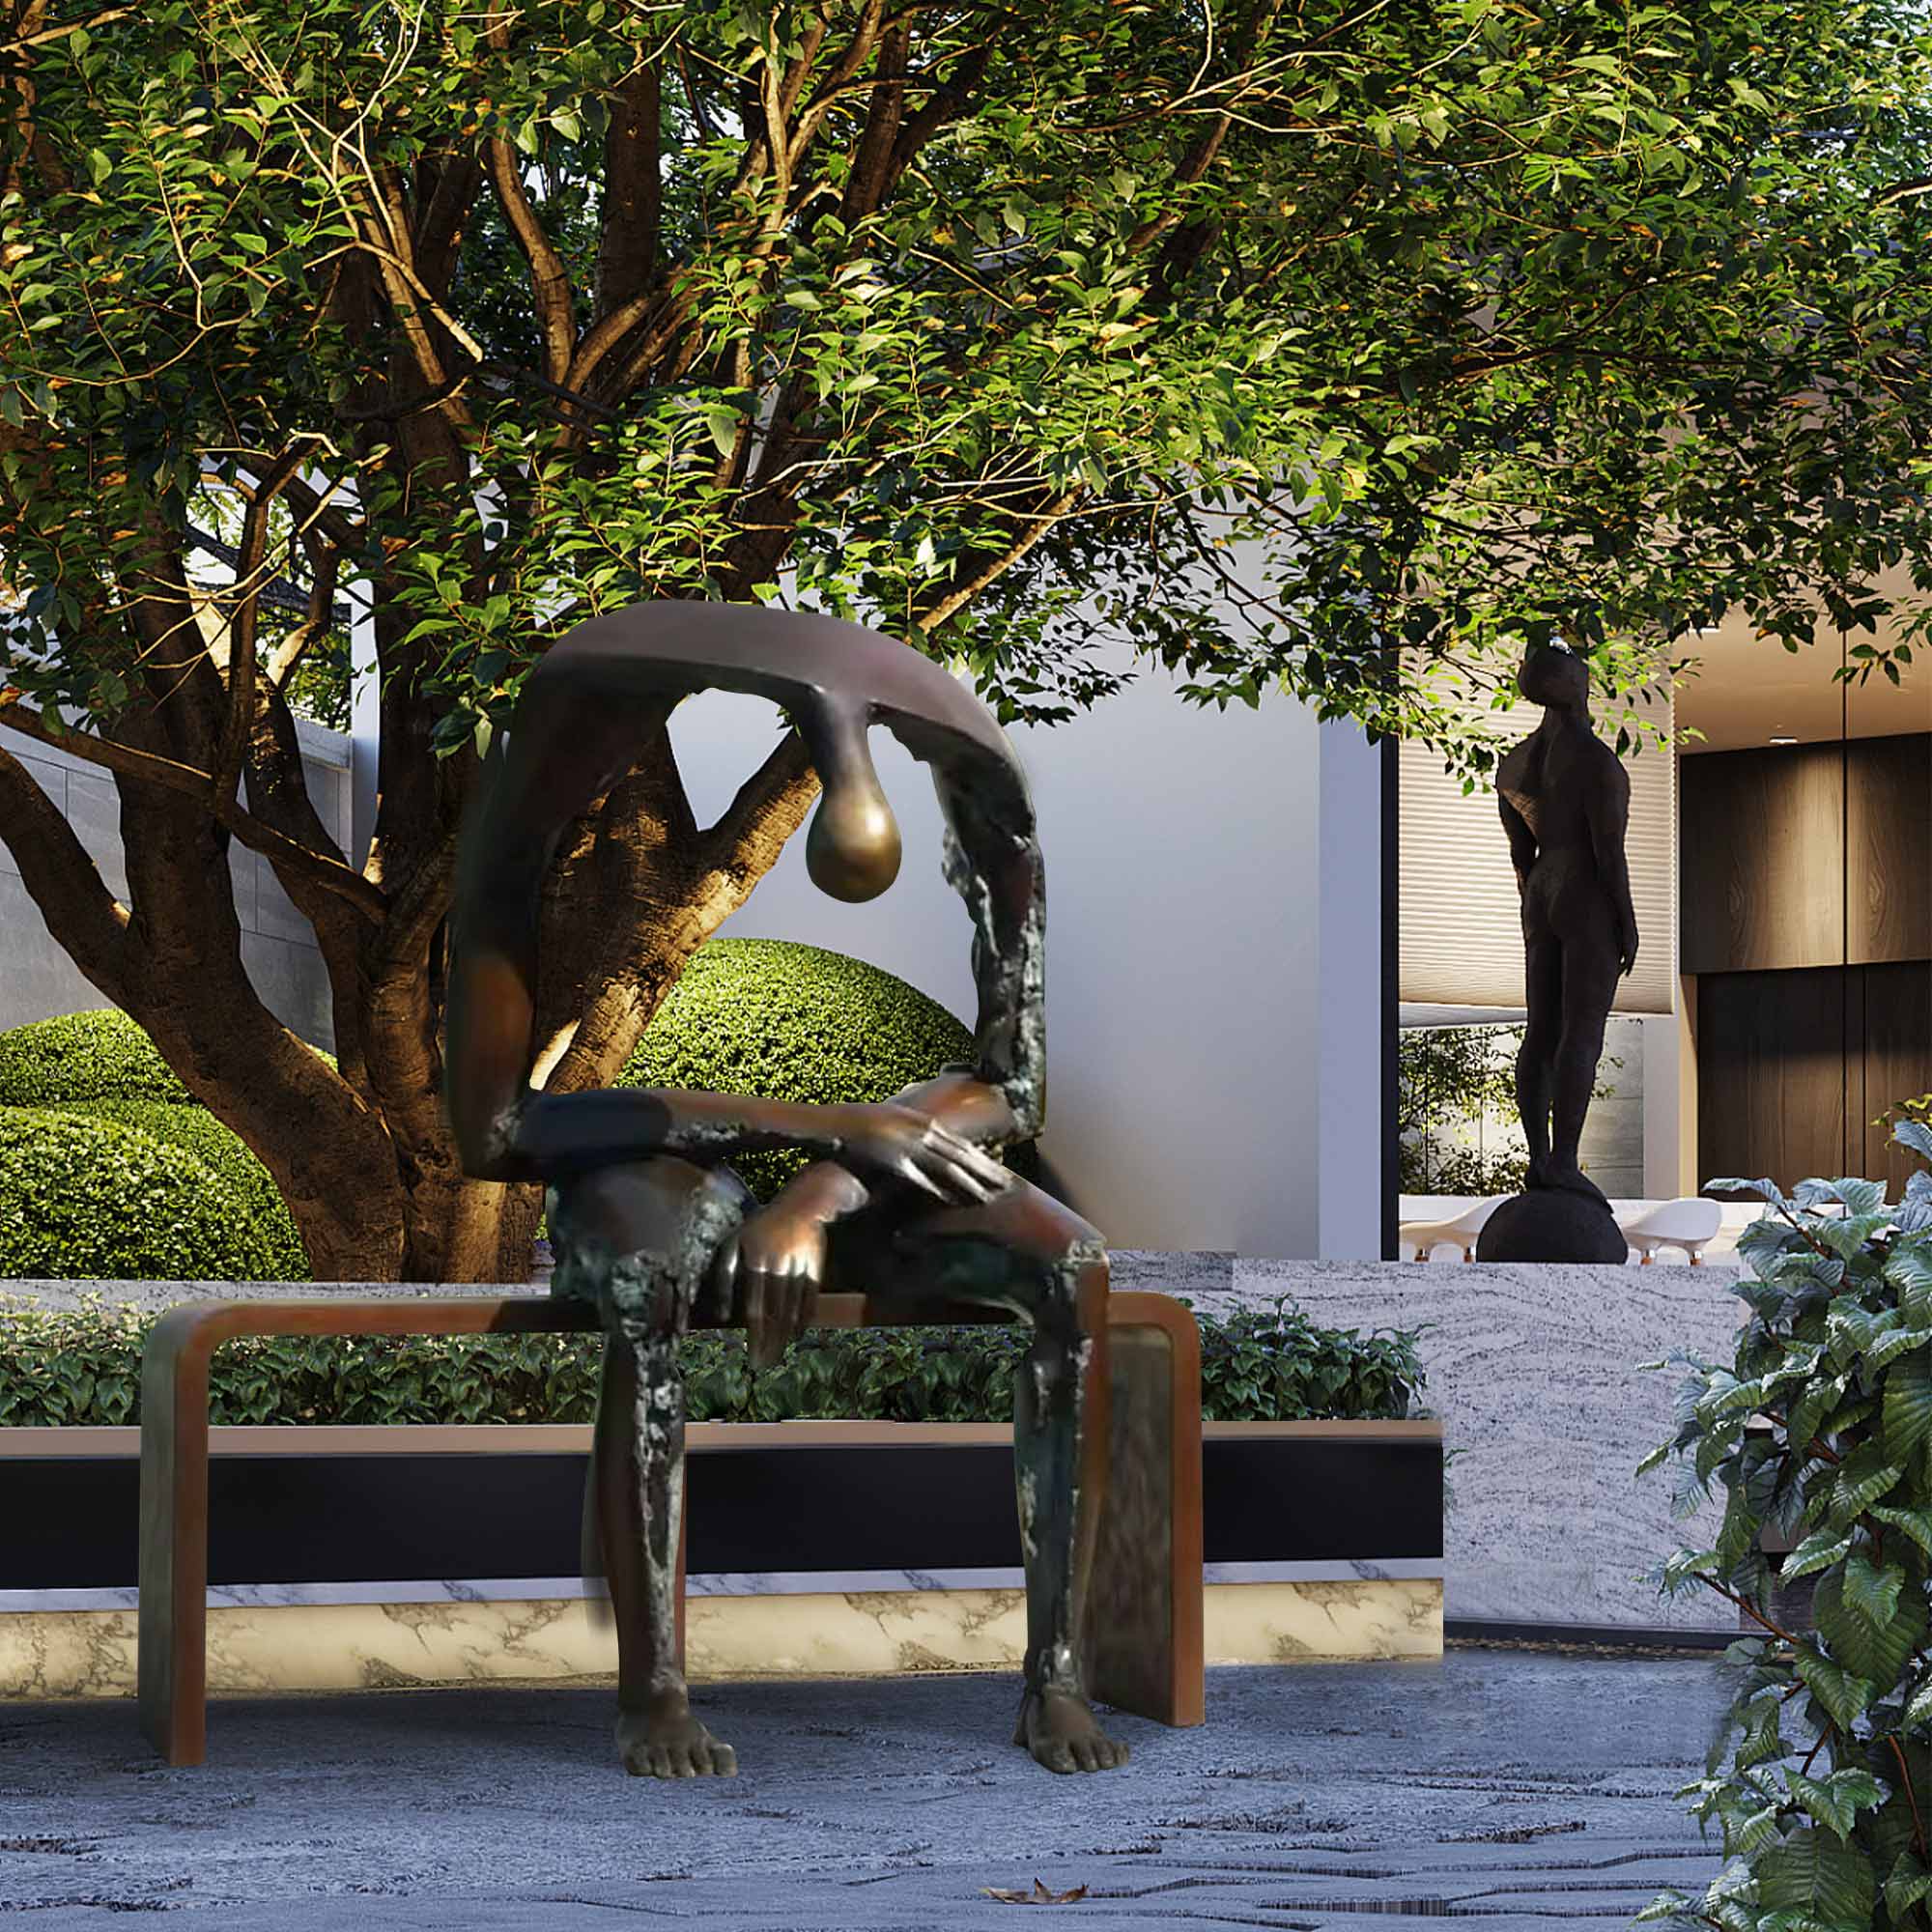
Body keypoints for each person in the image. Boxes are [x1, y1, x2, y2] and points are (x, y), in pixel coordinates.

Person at [443, 602, 1127, 1778]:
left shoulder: (978, 777)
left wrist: (821, 1184)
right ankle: (653, 1687)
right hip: (656, 1152)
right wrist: (825, 1123)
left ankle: (1055, 1672)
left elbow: (1011, 1085)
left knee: (1069, 1266)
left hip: (845, 1172)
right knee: (655, 1261)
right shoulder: (539, 775)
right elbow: (496, 1129)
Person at [1494, 641, 1639, 1204]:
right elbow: (1609, 852)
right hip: (1584, 892)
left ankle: (1539, 1160)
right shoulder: (1598, 761)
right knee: (1581, 1033)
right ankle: (1563, 1161)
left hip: (1541, 892)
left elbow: (1519, 854)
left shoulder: (1514, 762)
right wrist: (1625, 919)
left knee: (1541, 1033)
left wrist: (1534, 907)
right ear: (1575, 682)